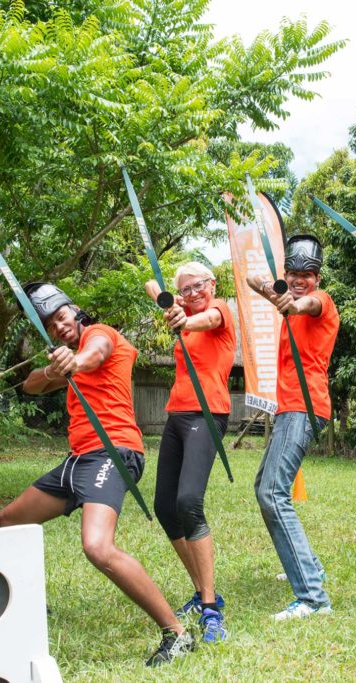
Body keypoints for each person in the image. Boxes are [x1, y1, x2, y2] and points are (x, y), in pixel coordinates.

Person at [0, 283, 194, 666]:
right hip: (78, 460)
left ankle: (178, 634)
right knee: (9, 520)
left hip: (114, 451)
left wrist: (75, 361)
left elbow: (94, 354)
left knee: (97, 547)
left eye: (60, 316)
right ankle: (29, 604)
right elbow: (30, 386)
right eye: (50, 325)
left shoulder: (100, 334)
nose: (58, 326)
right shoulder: (64, 356)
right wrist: (54, 368)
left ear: (74, 310)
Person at [247, 234, 339, 621]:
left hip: (304, 406)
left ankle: (313, 597)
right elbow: (254, 280)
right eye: (294, 272)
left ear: (318, 277)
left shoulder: (321, 302)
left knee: (273, 492)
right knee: (263, 487)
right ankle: (310, 568)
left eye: (309, 273)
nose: (302, 279)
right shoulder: (285, 294)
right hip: (290, 408)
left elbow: (309, 304)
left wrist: (293, 299)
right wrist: (275, 290)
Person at [144, 263, 235, 643]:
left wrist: (182, 314)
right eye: (187, 288)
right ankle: (201, 592)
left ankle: (212, 607)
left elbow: (206, 319)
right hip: (177, 414)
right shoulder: (181, 308)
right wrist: (167, 297)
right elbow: (151, 283)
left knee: (188, 502)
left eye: (200, 285)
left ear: (212, 285)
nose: (196, 292)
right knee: (165, 507)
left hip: (208, 412)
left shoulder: (222, 311)